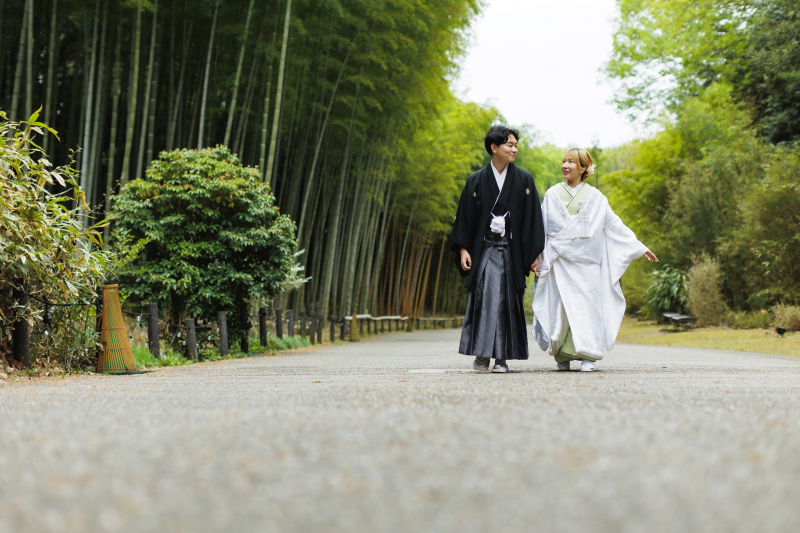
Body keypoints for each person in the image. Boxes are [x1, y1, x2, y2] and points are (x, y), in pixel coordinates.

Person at [531, 148, 658, 372]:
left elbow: (613, 225)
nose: (565, 165)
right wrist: (535, 257)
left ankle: (588, 355)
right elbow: (540, 228)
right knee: (562, 308)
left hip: (587, 263)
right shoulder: (552, 194)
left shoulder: (596, 197)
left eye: (571, 162)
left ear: (583, 168)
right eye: (563, 161)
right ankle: (562, 355)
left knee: (587, 308)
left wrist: (638, 246)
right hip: (560, 262)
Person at [450, 125, 546, 373]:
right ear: (494, 147)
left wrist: (533, 254)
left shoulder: (524, 179)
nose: (514, 149)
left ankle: (501, 357)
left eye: (515, 145)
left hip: (511, 251)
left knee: (506, 302)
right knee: (482, 300)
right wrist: (463, 249)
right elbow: (465, 218)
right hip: (483, 250)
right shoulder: (476, 180)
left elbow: (532, 219)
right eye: (509, 144)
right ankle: (482, 355)